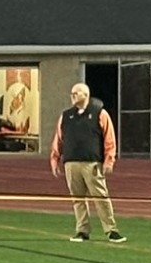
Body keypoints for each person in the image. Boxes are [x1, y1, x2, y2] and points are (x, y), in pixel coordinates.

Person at [49, 83, 124, 243]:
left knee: (101, 197)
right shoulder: (66, 116)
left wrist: (109, 160)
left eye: (76, 93)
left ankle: (111, 230)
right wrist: (55, 158)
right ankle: (82, 230)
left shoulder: (99, 113)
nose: (73, 96)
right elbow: (59, 139)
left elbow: (109, 138)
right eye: (72, 93)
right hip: (71, 163)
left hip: (92, 163)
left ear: (85, 95)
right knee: (77, 198)